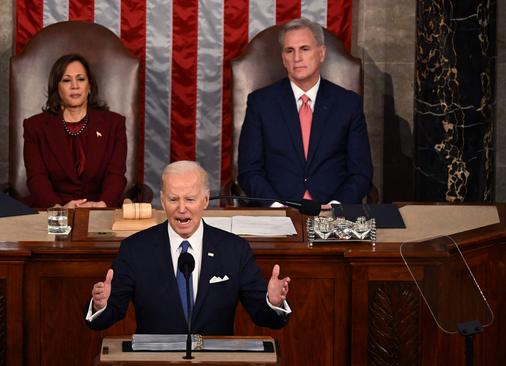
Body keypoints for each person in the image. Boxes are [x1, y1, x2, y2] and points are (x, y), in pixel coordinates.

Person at [85, 160, 291, 335]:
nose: (181, 208)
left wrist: (273, 302)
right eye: (173, 199)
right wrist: (100, 305)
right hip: (156, 362)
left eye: (190, 199)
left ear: (205, 199)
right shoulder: (136, 249)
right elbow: (106, 317)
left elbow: (263, 315)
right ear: (163, 200)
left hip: (214, 363)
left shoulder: (234, 250)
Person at [237, 18, 373, 205]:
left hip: (331, 212)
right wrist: (276, 208)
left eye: (305, 49)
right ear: (283, 58)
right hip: (277, 213)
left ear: (321, 53)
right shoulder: (260, 103)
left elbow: (361, 173)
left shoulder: (348, 104)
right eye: (289, 51)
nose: (297, 58)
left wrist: (336, 206)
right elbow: (249, 171)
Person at [22, 54, 127, 208]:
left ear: (89, 86)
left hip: (101, 208)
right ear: (56, 88)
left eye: (81, 79)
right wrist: (58, 209)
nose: (75, 86)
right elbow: (37, 178)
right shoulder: (35, 127)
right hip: (52, 210)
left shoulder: (114, 124)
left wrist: (102, 205)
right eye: (66, 80)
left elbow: (116, 175)